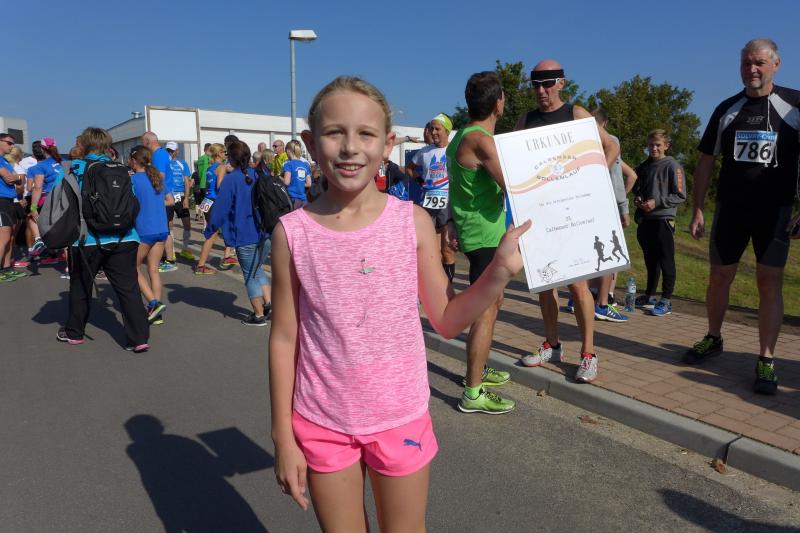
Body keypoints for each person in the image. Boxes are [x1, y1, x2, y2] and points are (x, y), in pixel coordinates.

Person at [269, 76, 530, 531]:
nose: (350, 147)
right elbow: (284, 337)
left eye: (366, 134)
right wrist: (282, 436)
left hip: (400, 417)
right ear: (311, 143)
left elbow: (446, 319)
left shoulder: (412, 222)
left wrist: (499, 272)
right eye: (335, 132)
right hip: (322, 420)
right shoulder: (291, 233)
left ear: (387, 144)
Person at [686, 38, 800, 395]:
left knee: (769, 281)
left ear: (775, 65)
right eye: (746, 63)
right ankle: (713, 336)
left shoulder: (794, 105)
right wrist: (698, 207)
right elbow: (706, 160)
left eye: (759, 63)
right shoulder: (727, 109)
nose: (752, 69)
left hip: (776, 211)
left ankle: (766, 358)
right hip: (731, 210)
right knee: (720, 276)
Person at [516, 59, 620, 384]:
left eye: (547, 84)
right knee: (545, 282)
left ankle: (588, 354)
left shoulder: (576, 114)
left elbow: (611, 146)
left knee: (577, 285)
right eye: (536, 85)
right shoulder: (526, 120)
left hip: (573, 214)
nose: (541, 91)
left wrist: (594, 178)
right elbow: (515, 160)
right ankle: (552, 344)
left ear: (561, 83)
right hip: (540, 213)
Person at [446, 71, 519, 413]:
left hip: (477, 231)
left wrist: (450, 220)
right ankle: (473, 392)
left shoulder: (461, 135)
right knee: (486, 309)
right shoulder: (480, 140)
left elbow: (457, 187)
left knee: (493, 302)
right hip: (484, 235)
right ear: (497, 103)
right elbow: (513, 185)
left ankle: (479, 366)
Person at [58, 127, 149, 352]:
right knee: (128, 288)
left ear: (83, 144)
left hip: (86, 239)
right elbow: (133, 201)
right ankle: (139, 339)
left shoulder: (73, 169)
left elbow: (59, 203)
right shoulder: (121, 169)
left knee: (80, 286)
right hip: (125, 237)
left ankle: (75, 333)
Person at [206, 141, 272, 326]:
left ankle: (258, 315)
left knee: (250, 275)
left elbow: (220, 210)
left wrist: (210, 229)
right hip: (265, 232)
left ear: (232, 158)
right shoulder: (260, 173)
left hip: (245, 234)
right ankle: (269, 304)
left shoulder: (231, 179)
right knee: (257, 269)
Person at [586, 108, 637, 321]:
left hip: (585, 203)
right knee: (609, 255)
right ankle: (602, 305)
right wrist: (623, 207)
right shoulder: (611, 141)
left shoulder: (581, 142)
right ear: (605, 123)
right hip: (605, 205)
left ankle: (582, 299)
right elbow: (616, 177)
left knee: (589, 252)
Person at [632, 129, 686, 317]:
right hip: (645, 219)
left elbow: (680, 195)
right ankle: (649, 295)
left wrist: (657, 202)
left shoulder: (673, 166)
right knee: (650, 260)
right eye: (651, 145)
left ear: (666, 146)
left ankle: (666, 300)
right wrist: (638, 199)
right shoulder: (644, 166)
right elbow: (636, 187)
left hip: (663, 219)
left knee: (666, 260)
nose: (654, 148)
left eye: (658, 145)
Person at [408, 113, 456, 282]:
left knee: (447, 250)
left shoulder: (454, 150)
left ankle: (447, 288)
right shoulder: (425, 152)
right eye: (431, 129)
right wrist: (420, 180)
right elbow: (409, 168)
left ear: (447, 131)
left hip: (447, 204)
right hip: (427, 203)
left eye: (437, 129)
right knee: (431, 251)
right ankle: (434, 284)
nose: (433, 132)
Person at [129, 146, 169, 325]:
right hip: (162, 229)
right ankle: (156, 314)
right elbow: (170, 200)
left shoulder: (133, 180)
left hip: (144, 230)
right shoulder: (157, 178)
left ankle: (153, 303)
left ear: (134, 161)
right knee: (153, 270)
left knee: (132, 267)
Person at [28, 138, 67, 266]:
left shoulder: (41, 166)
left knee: (31, 218)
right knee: (64, 229)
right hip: (65, 199)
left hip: (48, 199)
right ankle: (69, 266)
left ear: (42, 149)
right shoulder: (64, 162)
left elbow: (37, 187)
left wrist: (33, 207)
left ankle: (38, 240)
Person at [194, 143, 226, 275]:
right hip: (215, 202)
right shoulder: (221, 167)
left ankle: (225, 257)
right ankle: (201, 265)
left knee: (213, 234)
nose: (225, 154)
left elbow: (209, 187)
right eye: (224, 152)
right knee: (213, 235)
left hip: (207, 201)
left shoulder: (210, 168)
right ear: (218, 153)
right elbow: (220, 186)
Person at [163, 142, 194, 262]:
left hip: (180, 196)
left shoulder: (182, 163)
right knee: (169, 224)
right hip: (168, 196)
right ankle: (171, 251)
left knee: (187, 223)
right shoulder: (164, 163)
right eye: (168, 150)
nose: (170, 152)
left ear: (177, 151)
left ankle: (185, 249)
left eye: (172, 150)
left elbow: (187, 182)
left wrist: (186, 198)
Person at [0, 133, 24, 281]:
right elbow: (10, 179)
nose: (12, 146)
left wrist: (16, 178)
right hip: (1, 200)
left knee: (9, 237)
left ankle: (6, 267)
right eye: (9, 143)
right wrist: (16, 178)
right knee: (3, 238)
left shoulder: (5, 161)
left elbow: (19, 181)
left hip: (9, 200)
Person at [281, 140, 312, 209]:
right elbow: (309, 184)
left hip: (292, 197)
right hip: (304, 199)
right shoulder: (305, 165)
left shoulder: (288, 164)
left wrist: (279, 178)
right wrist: (299, 182)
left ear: (288, 151)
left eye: (286, 152)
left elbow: (286, 182)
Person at [195, 143, 212, 220]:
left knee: (205, 205)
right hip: (207, 184)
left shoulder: (200, 159)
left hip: (201, 184)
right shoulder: (209, 158)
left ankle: (205, 223)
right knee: (210, 206)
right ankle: (207, 223)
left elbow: (198, 171)